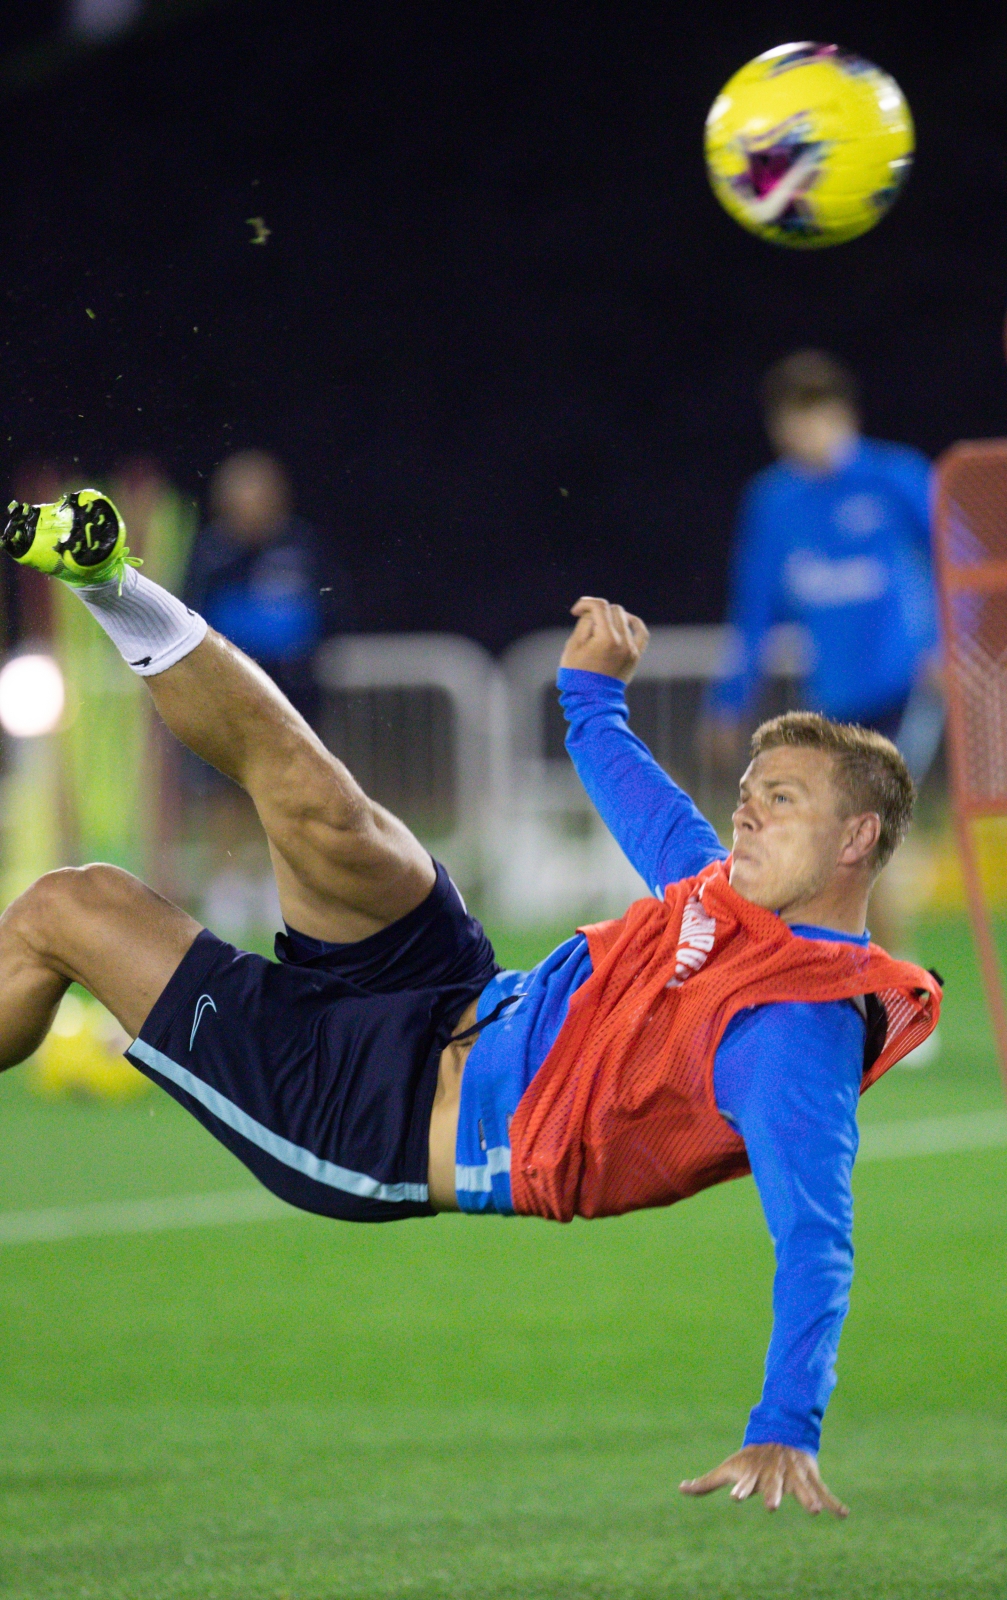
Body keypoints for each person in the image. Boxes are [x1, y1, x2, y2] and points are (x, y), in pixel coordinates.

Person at [0, 489, 941, 1519]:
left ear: (855, 842)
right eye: (750, 793)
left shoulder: (794, 1030)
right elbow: (648, 803)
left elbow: (816, 1236)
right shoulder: (721, 895)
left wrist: (785, 1420)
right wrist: (590, 697)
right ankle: (105, 575)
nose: (747, 811)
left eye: (783, 801)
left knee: (69, 904)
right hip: (444, 985)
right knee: (326, 807)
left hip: (370, 1118)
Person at [706, 351, 943, 786]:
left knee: (879, 817)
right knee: (843, 833)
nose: (804, 434)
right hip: (832, 698)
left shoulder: (898, 478)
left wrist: (949, 647)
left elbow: (966, 564)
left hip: (908, 688)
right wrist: (728, 704)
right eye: (790, 421)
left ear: (845, 415)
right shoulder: (773, 502)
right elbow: (752, 611)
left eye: (814, 416)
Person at [184, 450, 324, 721]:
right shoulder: (212, 554)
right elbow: (190, 615)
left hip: (295, 693)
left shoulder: (301, 544)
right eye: (242, 503)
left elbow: (327, 610)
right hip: (228, 695)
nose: (252, 511)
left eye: (260, 499)